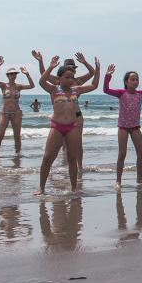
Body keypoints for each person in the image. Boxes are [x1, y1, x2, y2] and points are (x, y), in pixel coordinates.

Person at [35, 56, 100, 195]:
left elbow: (94, 85)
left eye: (72, 77)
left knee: (72, 158)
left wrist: (98, 69)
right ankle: (41, 188)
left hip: (73, 126)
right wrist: (51, 66)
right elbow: (41, 81)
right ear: (59, 78)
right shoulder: (53, 89)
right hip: (57, 126)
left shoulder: (76, 90)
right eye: (67, 77)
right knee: (47, 157)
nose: (71, 80)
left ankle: (74, 187)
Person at [104, 65, 142, 190]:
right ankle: (118, 181)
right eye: (133, 79)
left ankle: (139, 178)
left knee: (141, 153)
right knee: (122, 154)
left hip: (135, 128)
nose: (135, 81)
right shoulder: (121, 93)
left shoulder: (140, 94)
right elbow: (106, 90)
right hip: (123, 128)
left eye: (137, 79)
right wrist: (108, 76)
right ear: (126, 82)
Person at [0, 57, 35, 157]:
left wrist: (27, 74)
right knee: (0, 135)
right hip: (4, 113)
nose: (13, 75)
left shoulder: (18, 86)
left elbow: (32, 86)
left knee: (17, 136)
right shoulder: (3, 86)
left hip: (16, 113)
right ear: (8, 75)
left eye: (15, 74)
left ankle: (18, 154)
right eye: (11, 74)